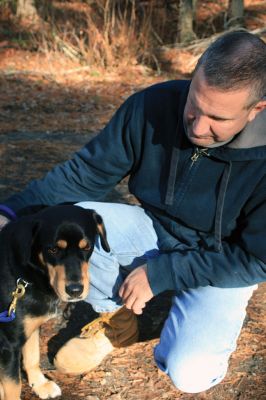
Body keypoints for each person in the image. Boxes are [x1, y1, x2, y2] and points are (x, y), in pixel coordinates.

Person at [0, 30, 265, 394]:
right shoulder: (152, 105)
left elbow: (257, 259)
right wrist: (11, 212)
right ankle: (120, 321)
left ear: (256, 110)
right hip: (155, 228)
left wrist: (162, 274)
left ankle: (188, 315)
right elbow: (86, 174)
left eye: (217, 118)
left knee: (191, 373)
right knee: (78, 220)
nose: (198, 127)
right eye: (194, 105)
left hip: (223, 259)